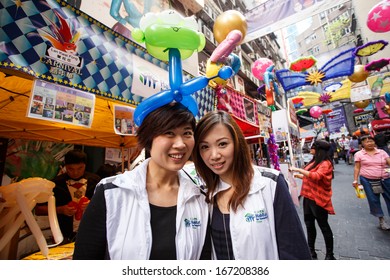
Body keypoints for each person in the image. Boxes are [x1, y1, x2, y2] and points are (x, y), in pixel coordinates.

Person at [73, 102, 210, 260]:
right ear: (148, 139)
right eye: (169, 133)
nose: (180, 144)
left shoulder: (200, 198)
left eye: (187, 133)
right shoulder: (111, 192)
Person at [191, 110, 311, 260]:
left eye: (222, 144)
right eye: (205, 147)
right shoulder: (204, 194)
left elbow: (294, 251)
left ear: (237, 143)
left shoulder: (270, 183)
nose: (214, 155)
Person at [35, 150, 101, 243]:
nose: (75, 172)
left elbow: (107, 205)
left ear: (85, 165)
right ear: (65, 166)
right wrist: (60, 209)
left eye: (80, 168)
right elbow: (38, 210)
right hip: (63, 235)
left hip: (91, 233)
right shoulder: (55, 184)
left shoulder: (96, 181)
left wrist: (93, 205)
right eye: (71, 169)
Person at [290, 140, 336, 260]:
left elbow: (317, 176)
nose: (310, 149)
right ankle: (311, 251)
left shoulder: (325, 163)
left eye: (313, 147)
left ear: (318, 149)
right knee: (309, 225)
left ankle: (330, 254)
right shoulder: (315, 161)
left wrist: (298, 170)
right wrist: (297, 175)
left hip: (318, 199)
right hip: (308, 197)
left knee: (323, 226)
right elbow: (309, 176)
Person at [353, 135, 390, 231]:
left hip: (385, 178)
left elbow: (389, 162)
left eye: (371, 141)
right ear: (362, 144)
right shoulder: (359, 154)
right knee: (373, 200)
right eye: (366, 142)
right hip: (368, 179)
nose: (369, 143)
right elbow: (357, 167)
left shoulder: (382, 152)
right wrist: (355, 179)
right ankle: (381, 219)